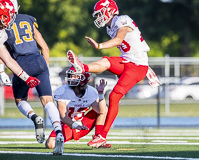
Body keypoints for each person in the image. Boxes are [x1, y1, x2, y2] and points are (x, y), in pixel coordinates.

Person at [67, 0, 161, 148]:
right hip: (128, 61)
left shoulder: (123, 20)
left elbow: (118, 40)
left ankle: (102, 136)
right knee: (106, 61)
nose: (98, 17)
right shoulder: (109, 27)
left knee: (114, 96)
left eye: (99, 13)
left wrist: (99, 45)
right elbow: (128, 49)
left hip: (137, 65)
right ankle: (82, 67)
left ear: (109, 11)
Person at [0, 0, 64, 155]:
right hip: (39, 61)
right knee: (48, 101)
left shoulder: (4, 30)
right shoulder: (27, 18)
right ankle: (59, 132)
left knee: (20, 100)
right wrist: (44, 69)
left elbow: (5, 57)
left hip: (20, 63)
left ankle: (35, 117)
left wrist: (2, 71)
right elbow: (45, 47)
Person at [45, 66, 110, 149]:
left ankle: (97, 138)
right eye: (70, 76)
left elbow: (101, 111)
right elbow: (63, 116)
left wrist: (101, 94)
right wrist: (75, 125)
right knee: (50, 144)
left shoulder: (91, 91)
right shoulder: (62, 91)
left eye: (75, 76)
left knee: (105, 107)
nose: (71, 78)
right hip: (67, 124)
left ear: (83, 78)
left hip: (84, 124)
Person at [0, 0, 39, 88]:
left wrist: (26, 78)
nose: (11, 17)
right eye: (9, 14)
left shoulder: (1, 33)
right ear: (2, 15)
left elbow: (8, 60)